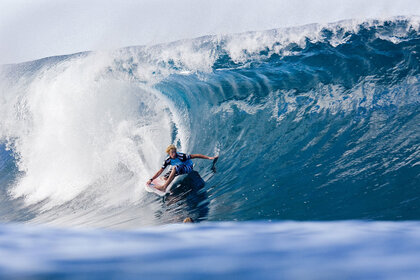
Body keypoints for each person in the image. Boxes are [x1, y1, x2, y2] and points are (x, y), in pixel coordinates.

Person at [147, 144, 218, 191]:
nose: (174, 154)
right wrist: (151, 179)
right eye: (172, 153)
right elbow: (160, 171)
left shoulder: (182, 156)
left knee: (175, 168)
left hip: (188, 167)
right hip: (179, 166)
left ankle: (164, 187)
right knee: (165, 177)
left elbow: (196, 155)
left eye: (175, 152)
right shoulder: (167, 160)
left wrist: (209, 158)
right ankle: (167, 180)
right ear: (169, 153)